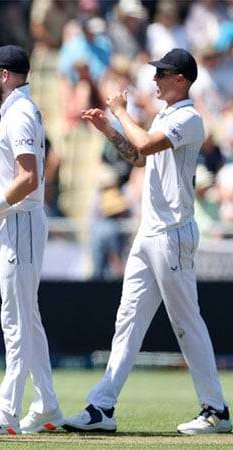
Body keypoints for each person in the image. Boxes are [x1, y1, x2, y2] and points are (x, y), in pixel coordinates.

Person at [64, 48, 231, 434]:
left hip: (173, 232)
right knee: (128, 320)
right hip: (150, 231)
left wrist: (121, 112)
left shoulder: (189, 118)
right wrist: (109, 129)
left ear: (181, 80)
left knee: (186, 322)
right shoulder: (165, 116)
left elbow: (142, 145)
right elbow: (139, 159)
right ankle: (102, 406)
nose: (155, 80)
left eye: (162, 74)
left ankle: (216, 409)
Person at [0, 45, 64, 435]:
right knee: (26, 316)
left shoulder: (21, 113)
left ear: (6, 75)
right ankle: (47, 404)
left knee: (17, 318)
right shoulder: (17, 111)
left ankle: (7, 410)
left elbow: (30, 177)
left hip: (20, 221)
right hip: (16, 223)